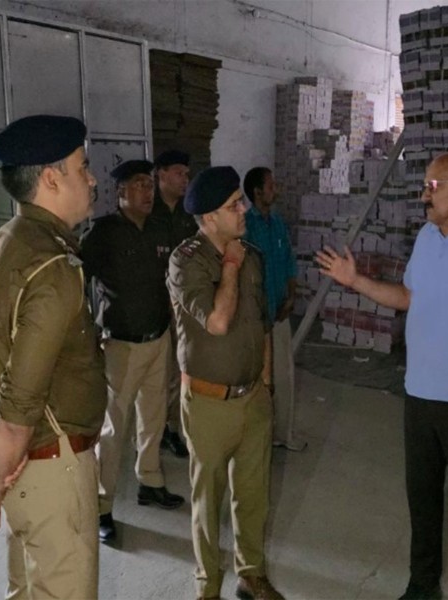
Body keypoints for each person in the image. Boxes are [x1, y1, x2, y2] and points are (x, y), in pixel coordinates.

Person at [315, 152, 448, 600]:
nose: (424, 195)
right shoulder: (427, 239)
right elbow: (408, 297)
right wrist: (355, 281)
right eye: (424, 186)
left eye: (434, 186)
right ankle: (422, 586)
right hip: (420, 395)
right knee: (423, 499)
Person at [0, 114, 108, 598]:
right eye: (83, 167)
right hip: (52, 470)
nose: (92, 179)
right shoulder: (52, 268)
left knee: (27, 589)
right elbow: (18, 412)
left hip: (19, 465)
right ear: (51, 179)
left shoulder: (5, 244)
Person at [166, 166, 283, 600]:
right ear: (210, 218)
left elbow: (262, 323)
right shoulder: (186, 261)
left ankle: (251, 574)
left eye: (241, 201)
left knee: (253, 494)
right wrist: (230, 266)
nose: (243, 210)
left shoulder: (253, 255)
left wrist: (266, 382)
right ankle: (208, 587)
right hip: (210, 403)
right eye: (234, 205)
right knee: (208, 499)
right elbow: (217, 321)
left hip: (253, 398)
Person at [81, 159, 184, 543]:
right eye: (139, 185)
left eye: (149, 185)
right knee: (112, 429)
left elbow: (170, 281)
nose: (147, 192)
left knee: (153, 418)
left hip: (158, 340)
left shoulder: (159, 228)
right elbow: (76, 279)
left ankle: (150, 482)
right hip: (121, 345)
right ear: (121, 192)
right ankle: (101, 506)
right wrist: (85, 331)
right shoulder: (104, 233)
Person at [242, 167, 298, 447]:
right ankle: (258, 437)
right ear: (257, 192)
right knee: (258, 379)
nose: (275, 190)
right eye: (271, 185)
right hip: (256, 318)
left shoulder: (277, 223)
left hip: (280, 313)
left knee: (284, 376)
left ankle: (282, 435)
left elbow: (288, 260)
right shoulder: (245, 226)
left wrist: (291, 296)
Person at [153, 149, 197, 458]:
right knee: (155, 376)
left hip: (181, 306)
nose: (185, 180)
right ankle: (151, 432)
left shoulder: (187, 214)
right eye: (179, 173)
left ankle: (171, 428)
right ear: (162, 174)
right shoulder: (148, 211)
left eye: (187, 174)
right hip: (153, 307)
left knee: (178, 372)